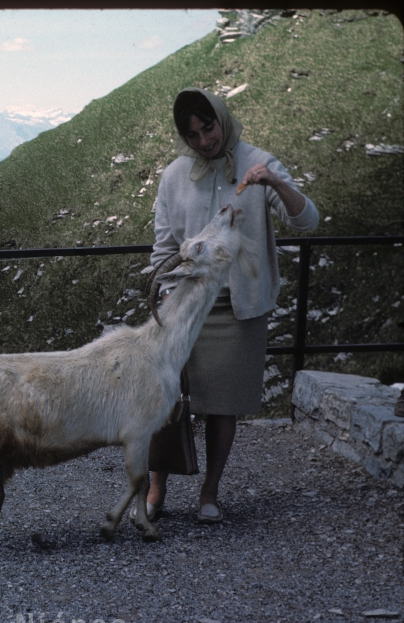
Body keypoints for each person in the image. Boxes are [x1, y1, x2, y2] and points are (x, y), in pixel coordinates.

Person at [144, 87, 319, 523]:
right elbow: (163, 246)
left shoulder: (258, 163)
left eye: (209, 129)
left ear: (222, 120)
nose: (204, 141)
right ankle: (155, 489)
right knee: (163, 397)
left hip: (239, 305)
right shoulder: (174, 175)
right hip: (185, 306)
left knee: (223, 403)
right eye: (193, 135)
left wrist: (275, 182)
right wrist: (164, 294)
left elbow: (307, 220)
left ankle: (210, 492)